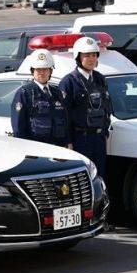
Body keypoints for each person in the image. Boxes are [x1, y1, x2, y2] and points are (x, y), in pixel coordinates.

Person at [59, 36, 112, 177]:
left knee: (100, 177)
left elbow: (107, 108)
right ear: (78, 57)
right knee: (83, 178)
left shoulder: (101, 79)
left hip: (99, 139)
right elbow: (64, 116)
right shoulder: (68, 82)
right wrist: (68, 141)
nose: (91, 59)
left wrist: (105, 132)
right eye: (87, 55)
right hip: (79, 139)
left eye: (94, 55)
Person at [11, 49, 69, 146]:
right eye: (38, 69)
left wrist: (67, 142)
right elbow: (18, 127)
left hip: (57, 147)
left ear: (50, 71)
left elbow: (65, 121)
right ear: (32, 71)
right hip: (36, 147)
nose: (41, 73)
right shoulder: (24, 93)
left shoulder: (56, 93)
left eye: (45, 69)